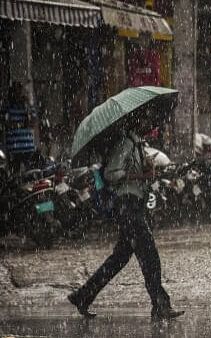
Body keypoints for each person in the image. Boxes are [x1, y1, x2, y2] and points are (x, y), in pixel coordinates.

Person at [68, 128, 184, 321]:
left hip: (135, 205)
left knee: (119, 258)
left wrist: (147, 173)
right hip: (127, 206)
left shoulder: (138, 145)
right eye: (147, 121)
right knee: (150, 256)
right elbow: (111, 173)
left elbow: (136, 175)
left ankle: (83, 296)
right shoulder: (126, 144)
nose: (152, 125)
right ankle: (160, 305)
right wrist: (138, 176)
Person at [1, 82, 38, 174]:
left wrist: (28, 106)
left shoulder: (27, 106)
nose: (19, 94)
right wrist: (18, 124)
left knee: (30, 175)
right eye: (16, 91)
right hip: (14, 148)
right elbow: (5, 123)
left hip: (28, 147)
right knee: (15, 174)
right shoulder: (7, 106)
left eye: (20, 91)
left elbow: (33, 122)